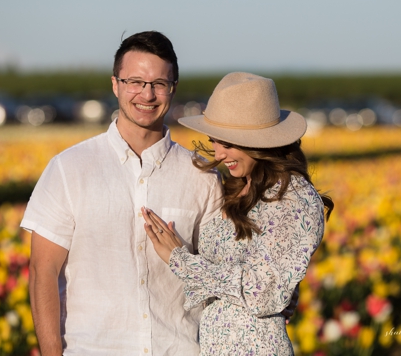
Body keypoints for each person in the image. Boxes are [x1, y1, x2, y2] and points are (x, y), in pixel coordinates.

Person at [22, 31, 223, 355]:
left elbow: (217, 272)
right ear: (115, 84)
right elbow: (42, 271)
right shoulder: (69, 168)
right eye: (135, 81)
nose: (147, 94)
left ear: (173, 89)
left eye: (159, 83)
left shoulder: (202, 176)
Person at [142, 72, 333, 354]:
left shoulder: (295, 198)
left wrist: (181, 261)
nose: (218, 154)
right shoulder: (238, 188)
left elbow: (264, 293)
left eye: (228, 143)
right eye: (214, 140)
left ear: (260, 141)